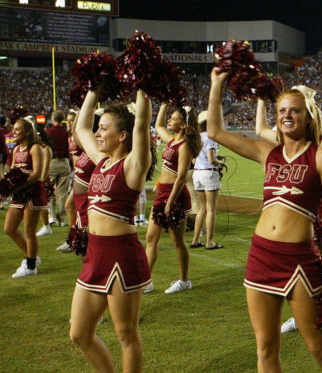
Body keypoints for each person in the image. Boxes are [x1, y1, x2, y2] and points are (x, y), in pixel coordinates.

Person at [209, 70, 322, 372]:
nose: (287, 116)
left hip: (299, 260)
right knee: (265, 348)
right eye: (282, 111)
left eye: (295, 111)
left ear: (308, 117)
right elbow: (216, 132)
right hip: (261, 256)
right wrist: (217, 84)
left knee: (318, 346)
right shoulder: (266, 153)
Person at [69, 88, 152, 373]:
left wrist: (144, 90)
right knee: (79, 333)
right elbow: (81, 127)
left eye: (104, 128)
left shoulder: (133, 164)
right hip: (95, 254)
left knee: (126, 334)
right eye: (99, 128)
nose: (98, 133)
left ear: (123, 135)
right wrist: (95, 88)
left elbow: (141, 123)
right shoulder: (101, 161)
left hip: (121, 255)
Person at [144, 103, 199, 294]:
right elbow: (158, 125)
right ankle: (146, 281)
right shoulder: (171, 141)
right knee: (151, 238)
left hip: (175, 196)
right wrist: (165, 104)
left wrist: (169, 202)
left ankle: (184, 280)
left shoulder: (184, 147)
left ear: (184, 125)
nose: (170, 120)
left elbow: (181, 177)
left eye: (174, 118)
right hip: (163, 194)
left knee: (178, 241)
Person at [4, 117, 47, 277]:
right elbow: (14, 170)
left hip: (32, 191)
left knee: (29, 230)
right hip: (19, 192)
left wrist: (19, 185)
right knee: (9, 228)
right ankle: (33, 257)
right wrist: (8, 185)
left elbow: (37, 173)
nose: (13, 132)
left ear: (27, 131)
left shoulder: (35, 148)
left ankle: (30, 266)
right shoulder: (16, 149)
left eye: (17, 129)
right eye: (13, 129)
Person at [190, 110, 226, 250]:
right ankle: (209, 242)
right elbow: (211, 159)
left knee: (202, 209)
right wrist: (221, 163)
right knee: (211, 209)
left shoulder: (197, 137)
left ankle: (195, 239)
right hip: (208, 174)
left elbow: (194, 159)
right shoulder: (210, 137)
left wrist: (218, 158)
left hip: (197, 173)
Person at [45, 109, 72, 227]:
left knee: (49, 191)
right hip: (64, 163)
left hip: (51, 162)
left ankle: (51, 217)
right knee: (62, 193)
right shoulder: (66, 132)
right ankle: (62, 220)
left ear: (53, 119)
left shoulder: (48, 132)